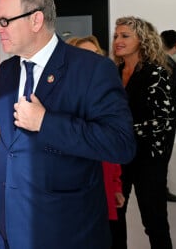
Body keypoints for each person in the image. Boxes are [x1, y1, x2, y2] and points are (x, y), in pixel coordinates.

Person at [0, 0, 135, 248]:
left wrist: (45, 122)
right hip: (7, 219)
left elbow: (121, 143)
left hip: (64, 226)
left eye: (4, 21)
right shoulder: (7, 70)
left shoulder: (93, 69)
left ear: (36, 20)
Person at [112, 16, 176, 249]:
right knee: (115, 217)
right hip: (119, 157)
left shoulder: (156, 73)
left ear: (142, 40)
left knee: (154, 220)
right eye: (116, 35)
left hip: (148, 158)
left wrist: (122, 130)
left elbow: (163, 121)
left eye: (125, 36)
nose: (118, 40)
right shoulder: (114, 72)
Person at [66, 36, 126, 239]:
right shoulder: (60, 103)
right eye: (85, 56)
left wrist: (116, 187)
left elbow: (113, 149)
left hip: (103, 189)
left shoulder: (106, 100)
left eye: (97, 55)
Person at [160, 29, 176, 203]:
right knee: (163, 154)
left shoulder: (158, 62)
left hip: (163, 117)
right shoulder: (169, 64)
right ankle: (161, 190)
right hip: (167, 119)